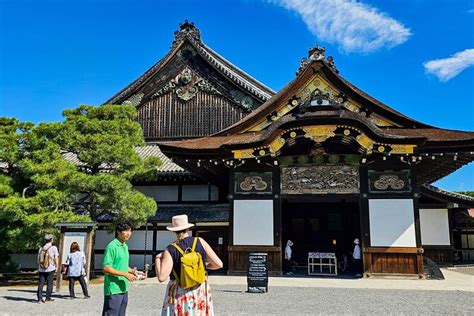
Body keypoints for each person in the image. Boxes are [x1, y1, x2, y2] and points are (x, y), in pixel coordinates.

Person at [155, 214, 223, 315]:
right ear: (187, 228)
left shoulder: (170, 249)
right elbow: (218, 264)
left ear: (174, 231)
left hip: (180, 291)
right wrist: (203, 267)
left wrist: (157, 258)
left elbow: (161, 277)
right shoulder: (200, 241)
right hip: (200, 290)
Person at [102, 221, 141, 316]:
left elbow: (122, 266)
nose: (128, 233)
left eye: (130, 231)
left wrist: (133, 271)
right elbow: (106, 268)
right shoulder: (112, 246)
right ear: (118, 232)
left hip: (123, 287)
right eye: (125, 231)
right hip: (114, 288)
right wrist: (126, 274)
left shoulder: (125, 246)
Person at [37, 233, 59, 303]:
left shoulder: (41, 248)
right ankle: (48, 298)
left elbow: (38, 259)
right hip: (50, 268)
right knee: (50, 283)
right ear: (51, 240)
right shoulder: (54, 248)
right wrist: (56, 266)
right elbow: (56, 258)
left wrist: (41, 266)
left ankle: (40, 298)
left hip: (41, 268)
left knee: (41, 283)